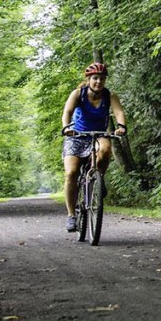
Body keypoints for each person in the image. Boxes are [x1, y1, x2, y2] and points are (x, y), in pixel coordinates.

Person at [61, 62, 127, 232]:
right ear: (89, 79)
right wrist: (67, 128)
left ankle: (98, 178)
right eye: (95, 78)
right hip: (76, 135)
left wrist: (121, 126)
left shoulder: (109, 95)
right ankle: (71, 215)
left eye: (102, 79)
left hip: (98, 133)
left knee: (105, 149)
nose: (99, 82)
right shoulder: (78, 94)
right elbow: (67, 112)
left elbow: (119, 112)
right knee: (71, 173)